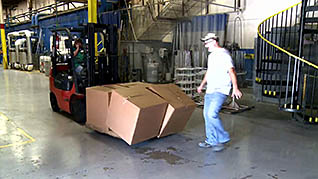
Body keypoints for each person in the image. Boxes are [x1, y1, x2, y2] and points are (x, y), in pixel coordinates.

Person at [197, 33, 242, 152]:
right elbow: (209, 72)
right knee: (207, 116)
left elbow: (231, 71)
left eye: (206, 43)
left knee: (212, 114)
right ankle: (211, 140)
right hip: (210, 90)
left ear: (213, 41)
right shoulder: (212, 56)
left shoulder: (224, 55)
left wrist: (235, 88)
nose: (206, 46)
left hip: (220, 90)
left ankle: (222, 137)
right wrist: (202, 85)